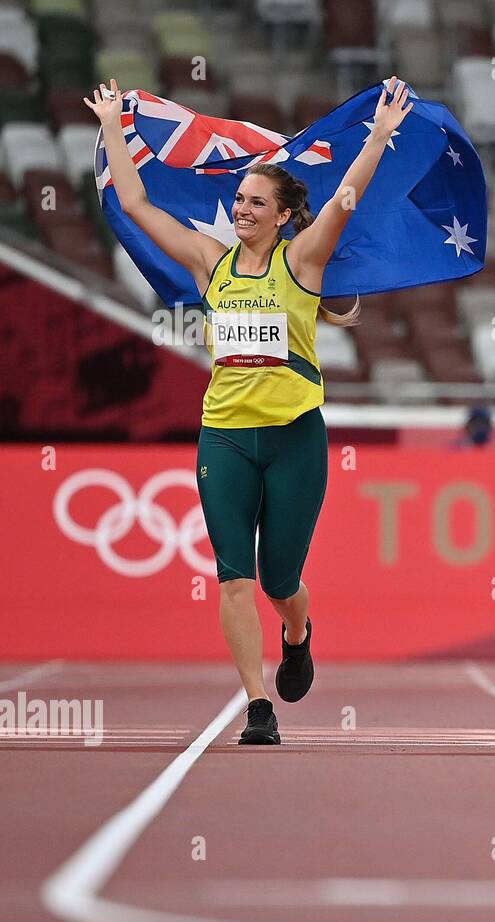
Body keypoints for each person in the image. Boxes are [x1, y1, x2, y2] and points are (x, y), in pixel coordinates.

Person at [86, 76, 413, 745]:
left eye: (254, 201)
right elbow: (138, 201)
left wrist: (378, 136)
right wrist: (117, 130)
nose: (240, 209)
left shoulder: (303, 261)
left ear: (283, 214)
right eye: (237, 198)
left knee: (278, 578)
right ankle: (256, 704)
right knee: (233, 573)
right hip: (226, 438)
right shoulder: (210, 263)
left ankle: (297, 631)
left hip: (295, 437)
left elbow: (346, 199)